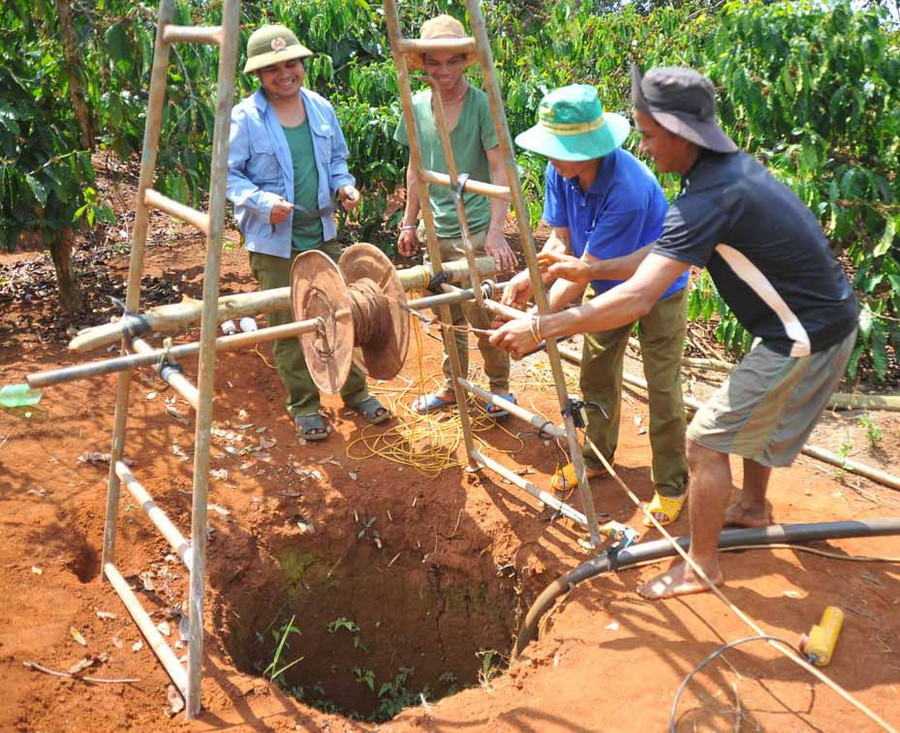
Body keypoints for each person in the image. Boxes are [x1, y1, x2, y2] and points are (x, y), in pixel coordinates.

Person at [490, 65, 858, 599]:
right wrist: (565, 276)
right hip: (802, 321)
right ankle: (752, 507)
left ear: (681, 133)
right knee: (752, 417)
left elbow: (640, 293)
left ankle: (701, 567)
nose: (643, 147)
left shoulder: (703, 198)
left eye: (649, 134)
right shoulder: (722, 177)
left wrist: (543, 326)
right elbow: (642, 256)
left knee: (705, 440)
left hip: (804, 333)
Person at [502, 84, 690, 526]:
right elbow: (561, 241)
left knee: (662, 386)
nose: (550, 158)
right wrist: (531, 276)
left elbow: (585, 270)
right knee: (596, 372)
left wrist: (538, 321)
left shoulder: (627, 188)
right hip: (603, 278)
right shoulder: (560, 171)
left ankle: (671, 484)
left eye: (559, 151)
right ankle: (596, 457)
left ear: (590, 150)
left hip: (658, 287)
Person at [227, 24, 389, 440]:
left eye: (291, 64)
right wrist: (264, 203)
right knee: (290, 325)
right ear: (258, 75)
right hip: (274, 243)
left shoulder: (320, 108)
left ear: (302, 64)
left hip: (321, 233)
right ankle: (305, 406)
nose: (285, 74)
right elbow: (228, 177)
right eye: (272, 68)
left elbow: (337, 161)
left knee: (342, 314)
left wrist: (344, 186)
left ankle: (356, 392)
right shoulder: (245, 117)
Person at [394, 14, 518, 417]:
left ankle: (500, 389)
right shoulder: (416, 105)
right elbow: (415, 167)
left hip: (475, 230)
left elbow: (500, 169)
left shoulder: (481, 104)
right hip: (435, 231)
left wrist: (496, 232)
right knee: (447, 316)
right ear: (424, 64)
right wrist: (409, 222)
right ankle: (453, 386)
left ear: (465, 61)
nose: (443, 71)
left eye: (452, 61)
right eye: (434, 62)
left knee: (483, 312)